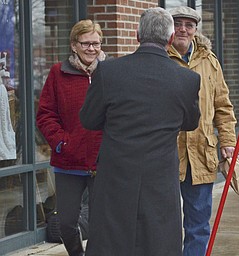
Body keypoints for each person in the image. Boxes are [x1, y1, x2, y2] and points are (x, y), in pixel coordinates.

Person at [79, 7, 200, 256]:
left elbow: (89, 119)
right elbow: (190, 122)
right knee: (159, 243)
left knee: (110, 244)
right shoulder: (186, 79)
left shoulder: (108, 72)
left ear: (137, 35)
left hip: (115, 176)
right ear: (169, 40)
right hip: (160, 178)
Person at [168, 6, 237, 256]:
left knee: (198, 225)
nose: (182, 29)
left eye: (188, 24)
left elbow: (223, 106)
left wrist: (228, 141)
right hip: (168, 154)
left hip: (201, 155)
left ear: (196, 29)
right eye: (177, 24)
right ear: (169, 28)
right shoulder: (160, 57)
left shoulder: (209, 61)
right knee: (166, 223)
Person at [36, 19, 106, 256]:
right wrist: (61, 143)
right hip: (68, 162)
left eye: (96, 43)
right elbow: (45, 114)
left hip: (104, 161)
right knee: (66, 224)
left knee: (101, 225)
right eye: (85, 43)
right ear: (74, 45)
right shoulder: (59, 72)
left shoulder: (110, 73)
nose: (91, 49)